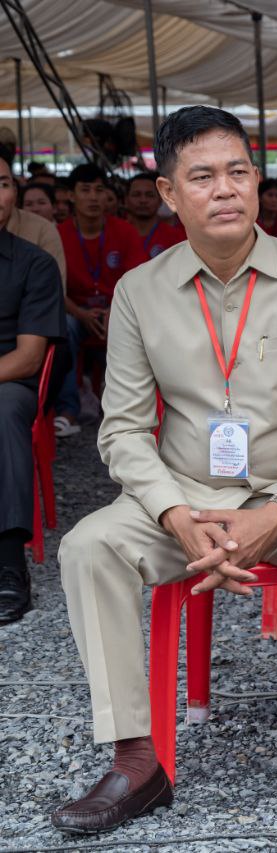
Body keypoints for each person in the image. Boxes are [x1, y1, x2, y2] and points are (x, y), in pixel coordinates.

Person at [51, 106, 277, 834]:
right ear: (170, 194)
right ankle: (135, 759)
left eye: (238, 172)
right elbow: (122, 429)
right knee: (87, 546)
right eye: (202, 177)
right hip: (184, 495)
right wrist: (173, 513)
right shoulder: (140, 291)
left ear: (257, 181)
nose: (225, 189)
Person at [0, 153, 64, 624]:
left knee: (1, 410)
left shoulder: (33, 264)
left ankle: (8, 563)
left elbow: (29, 357)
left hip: (10, 381)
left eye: (2, 184)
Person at [55, 164, 147, 438]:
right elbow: (53, 289)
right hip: (77, 313)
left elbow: (138, 281)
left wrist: (114, 311)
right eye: (85, 190)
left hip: (119, 310)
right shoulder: (58, 234)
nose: (93, 197)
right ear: (71, 196)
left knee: (142, 321)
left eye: (99, 190)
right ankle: (68, 411)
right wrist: (81, 314)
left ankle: (132, 408)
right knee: (64, 326)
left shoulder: (125, 231)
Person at [124, 173, 186, 259]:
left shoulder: (177, 237)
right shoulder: (115, 235)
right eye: (136, 194)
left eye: (150, 195)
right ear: (126, 200)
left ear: (160, 201)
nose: (143, 200)